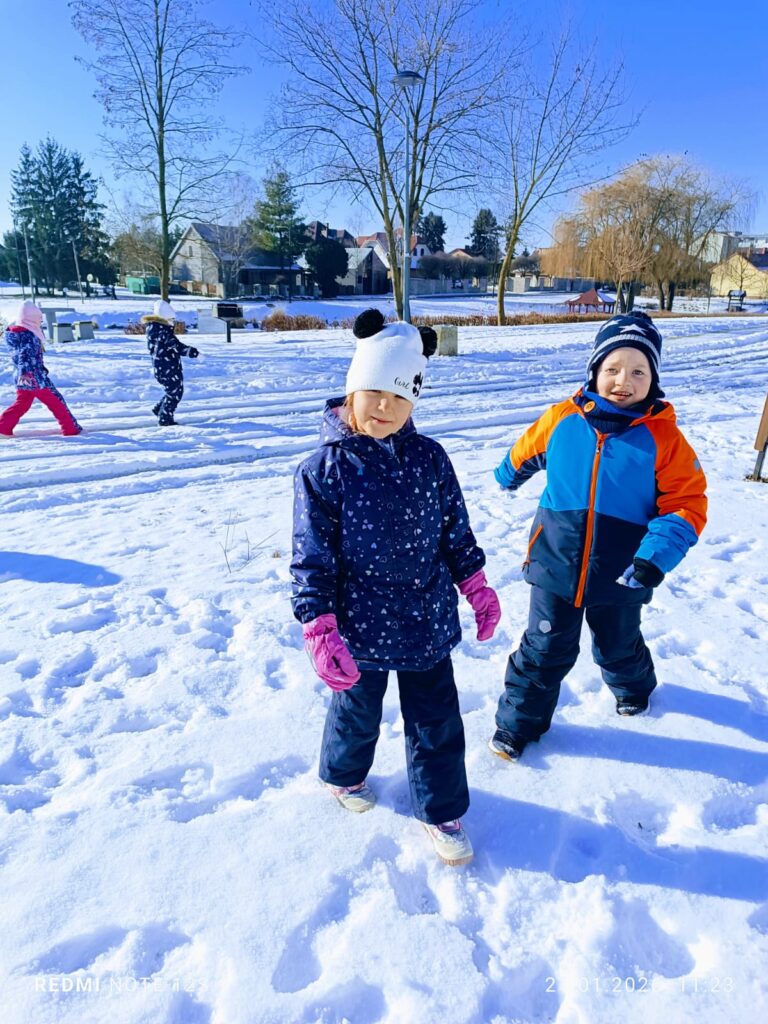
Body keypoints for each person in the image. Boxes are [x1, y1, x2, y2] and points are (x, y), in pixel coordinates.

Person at [291, 308, 501, 867]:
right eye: (373, 393)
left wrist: (475, 583)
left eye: (398, 396)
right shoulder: (324, 469)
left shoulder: (431, 459)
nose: (384, 407)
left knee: (436, 718)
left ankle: (442, 809)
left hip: (426, 620)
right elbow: (311, 557)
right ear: (351, 391)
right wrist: (319, 625)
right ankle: (342, 775)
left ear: (414, 400)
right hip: (357, 624)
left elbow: (455, 530)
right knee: (355, 710)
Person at [488, 311, 707, 761]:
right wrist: (509, 472)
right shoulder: (563, 418)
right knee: (542, 648)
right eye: (612, 368)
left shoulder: (665, 440)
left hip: (624, 570)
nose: (622, 380)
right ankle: (517, 725)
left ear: (654, 379)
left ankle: (634, 689)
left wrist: (654, 557)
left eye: (638, 371)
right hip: (554, 560)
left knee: (617, 644)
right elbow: (528, 447)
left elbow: (687, 503)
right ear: (594, 370)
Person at [0, 301, 82, 438]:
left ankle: (3, 426)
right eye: (39, 319)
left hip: (21, 378)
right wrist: (26, 373)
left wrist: (23, 374)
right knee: (56, 401)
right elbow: (24, 356)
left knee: (22, 403)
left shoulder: (14, 335)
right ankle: (70, 428)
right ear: (32, 320)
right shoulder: (29, 336)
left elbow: (21, 355)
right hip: (34, 377)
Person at [143, 299, 198, 426]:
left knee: (173, 391)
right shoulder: (164, 332)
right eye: (171, 320)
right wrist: (191, 352)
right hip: (168, 367)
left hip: (162, 367)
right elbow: (176, 346)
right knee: (175, 393)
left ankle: (160, 409)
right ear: (165, 318)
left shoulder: (154, 330)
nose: (173, 323)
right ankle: (165, 418)